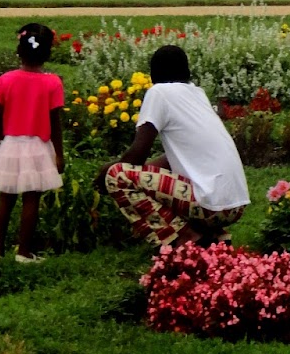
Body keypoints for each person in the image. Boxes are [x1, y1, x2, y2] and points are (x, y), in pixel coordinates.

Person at [97, 42, 249, 249]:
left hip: (210, 206)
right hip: (235, 206)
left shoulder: (159, 93)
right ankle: (214, 236)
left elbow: (137, 155)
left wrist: (108, 170)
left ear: (153, 75)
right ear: (187, 72)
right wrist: (147, 173)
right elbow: (178, 158)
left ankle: (186, 238)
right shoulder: (197, 94)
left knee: (117, 176)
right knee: (161, 178)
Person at [0, 21, 65, 262]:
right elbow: (54, 122)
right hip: (38, 146)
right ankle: (24, 252)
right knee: (32, 198)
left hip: (10, 145)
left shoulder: (5, 80)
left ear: (19, 50)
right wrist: (59, 154)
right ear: (48, 52)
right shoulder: (52, 83)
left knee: (5, 198)